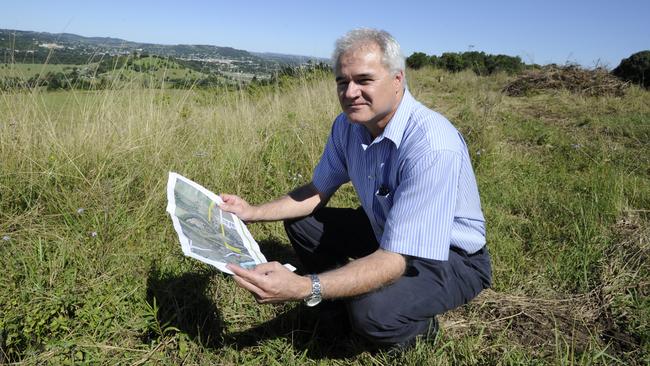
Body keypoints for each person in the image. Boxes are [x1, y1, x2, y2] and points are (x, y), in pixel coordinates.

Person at [220, 28, 492, 349]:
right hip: (387, 230)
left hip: (450, 256)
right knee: (303, 222)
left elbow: (396, 257)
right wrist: (252, 212)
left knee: (372, 313)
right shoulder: (348, 126)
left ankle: (417, 330)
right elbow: (316, 191)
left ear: (397, 80)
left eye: (364, 80)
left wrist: (304, 287)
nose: (350, 92)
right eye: (341, 81)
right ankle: (337, 303)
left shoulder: (431, 145)